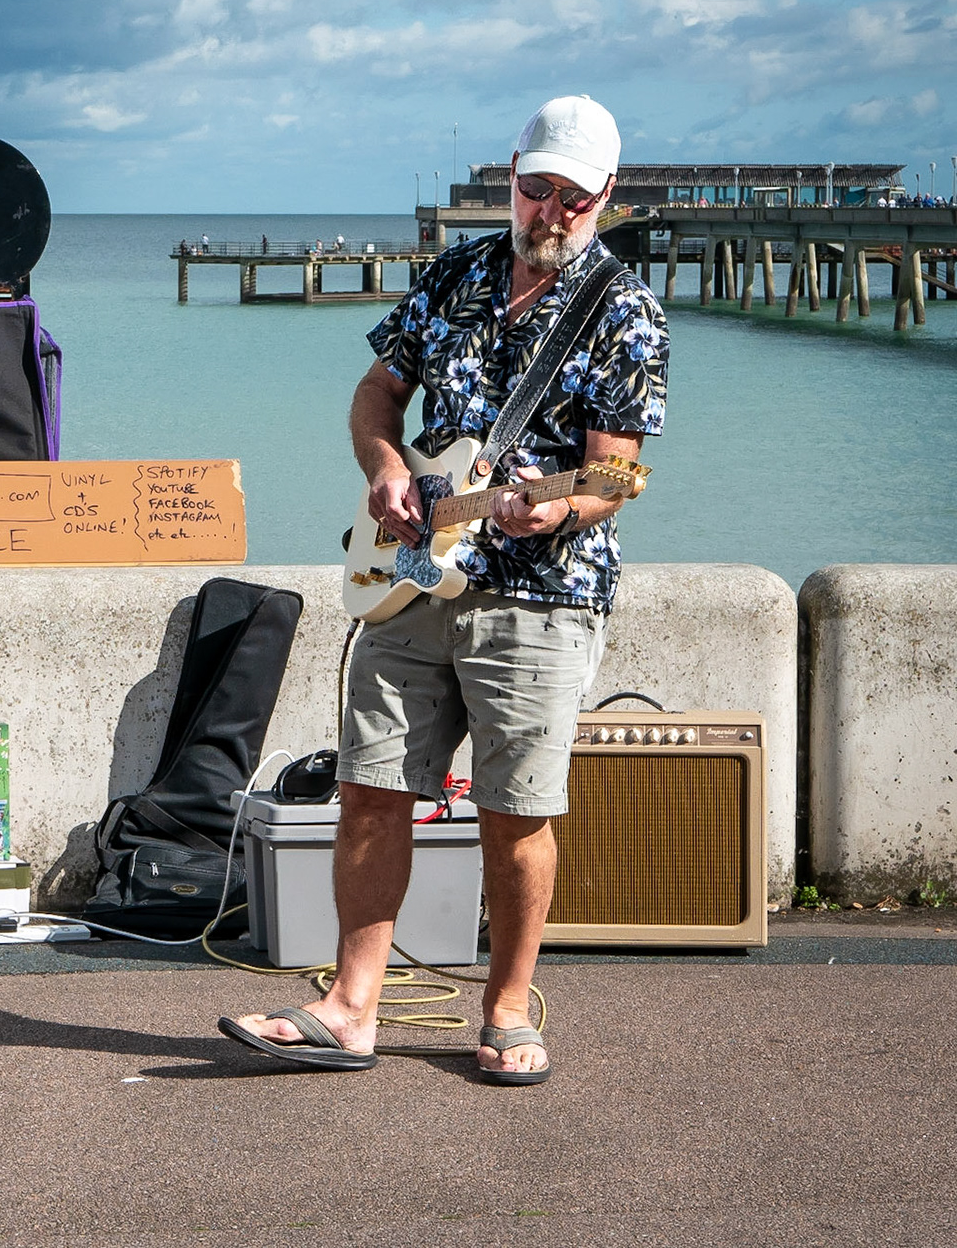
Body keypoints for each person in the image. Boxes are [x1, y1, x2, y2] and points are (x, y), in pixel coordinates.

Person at [221, 95, 668, 1083]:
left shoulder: (624, 311)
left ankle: (506, 1010)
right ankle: (350, 1007)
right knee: (369, 788)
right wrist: (385, 466)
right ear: (510, 174)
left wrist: (555, 511)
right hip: (411, 582)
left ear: (607, 199)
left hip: (541, 598)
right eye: (534, 187)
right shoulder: (456, 273)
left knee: (515, 813)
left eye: (573, 198)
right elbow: (378, 391)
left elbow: (615, 472)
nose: (550, 210)